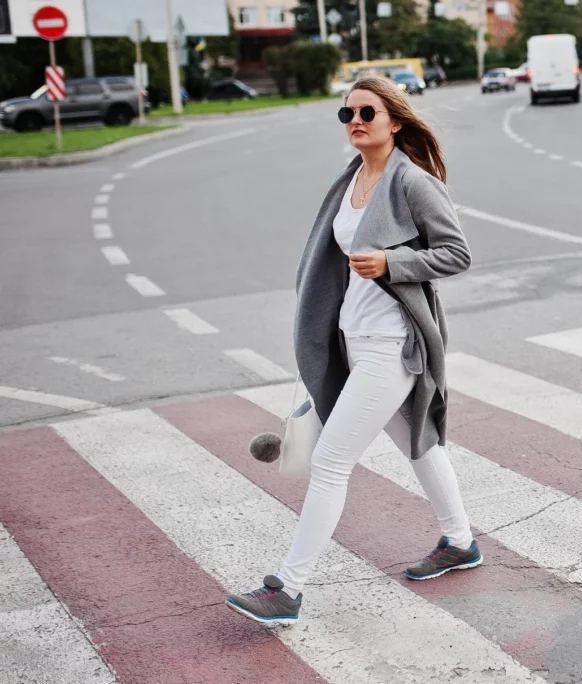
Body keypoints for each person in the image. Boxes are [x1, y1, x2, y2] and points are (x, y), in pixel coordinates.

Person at [225, 74, 479, 624]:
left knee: (330, 461)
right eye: (348, 114)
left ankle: (287, 589)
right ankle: (460, 540)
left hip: (393, 345)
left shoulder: (412, 182)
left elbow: (457, 254)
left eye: (367, 112)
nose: (356, 121)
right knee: (419, 443)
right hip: (354, 342)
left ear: (395, 120)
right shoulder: (352, 179)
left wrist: (395, 263)